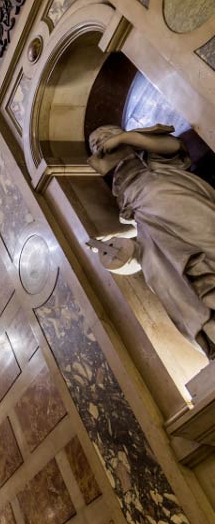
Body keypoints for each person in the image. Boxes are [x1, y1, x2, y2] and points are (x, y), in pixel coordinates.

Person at [88, 124, 215, 358]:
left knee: (206, 249)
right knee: (165, 278)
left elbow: (174, 145)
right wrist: (117, 249)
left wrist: (128, 138)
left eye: (103, 136)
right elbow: (135, 232)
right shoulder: (120, 186)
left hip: (175, 202)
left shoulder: (145, 156)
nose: (98, 143)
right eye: (94, 144)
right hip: (150, 227)